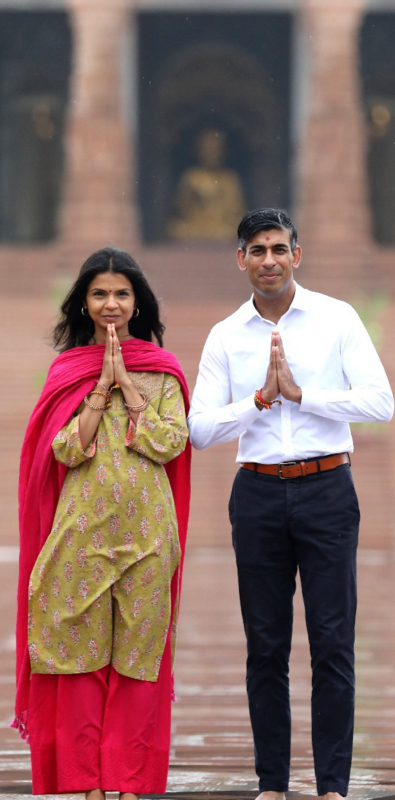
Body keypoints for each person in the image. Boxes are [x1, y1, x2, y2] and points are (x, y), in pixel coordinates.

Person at [187, 208, 394, 800]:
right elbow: (199, 430)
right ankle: (272, 785)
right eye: (257, 251)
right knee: (266, 646)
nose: (269, 261)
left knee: (333, 644)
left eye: (279, 249)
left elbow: (380, 403)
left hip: (327, 489)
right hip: (255, 493)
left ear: (297, 255)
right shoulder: (225, 334)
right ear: (241, 260)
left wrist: (304, 397)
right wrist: (258, 400)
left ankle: (332, 786)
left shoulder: (336, 318)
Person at [14, 248, 191, 797]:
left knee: (139, 659)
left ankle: (129, 782)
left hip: (148, 535)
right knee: (80, 658)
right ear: (84, 303)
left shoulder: (163, 372)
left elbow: (170, 443)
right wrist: (99, 389)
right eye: (100, 294)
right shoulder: (68, 371)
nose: (111, 303)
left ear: (138, 303)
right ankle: (89, 782)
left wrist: (130, 389)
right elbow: (65, 452)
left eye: (121, 293)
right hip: (80, 533)